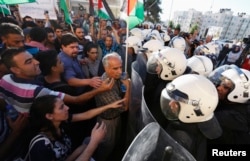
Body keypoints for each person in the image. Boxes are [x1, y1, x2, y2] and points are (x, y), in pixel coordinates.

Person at [0, 48, 114, 114]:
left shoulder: (5, 79)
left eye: (33, 59)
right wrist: (99, 89)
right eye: (29, 62)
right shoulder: (38, 91)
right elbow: (77, 100)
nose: (36, 62)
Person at [28, 95, 125, 161]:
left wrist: (109, 106)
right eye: (61, 107)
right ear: (49, 116)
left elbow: (86, 115)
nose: (67, 108)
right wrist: (93, 143)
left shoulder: (60, 123)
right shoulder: (40, 146)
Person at [160, 74, 222, 161]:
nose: (171, 104)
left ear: (193, 109)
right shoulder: (199, 127)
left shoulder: (181, 140)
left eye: (176, 101)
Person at [94, 52, 131, 161]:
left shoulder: (117, 77)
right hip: (107, 122)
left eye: (120, 67)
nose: (120, 71)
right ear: (106, 68)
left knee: (114, 144)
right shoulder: (104, 86)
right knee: (106, 148)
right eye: (115, 68)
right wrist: (128, 87)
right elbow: (124, 107)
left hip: (116, 118)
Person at [208, 65, 250, 144]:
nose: (219, 88)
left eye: (225, 87)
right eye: (221, 84)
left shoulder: (230, 116)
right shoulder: (230, 104)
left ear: (238, 93)